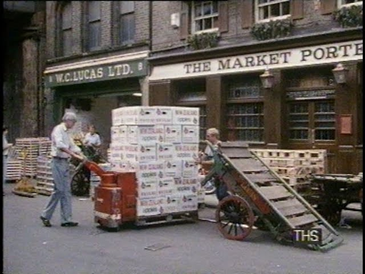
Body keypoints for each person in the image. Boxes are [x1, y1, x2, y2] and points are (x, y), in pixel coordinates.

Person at [40, 112, 84, 227]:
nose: (73, 124)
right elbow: (60, 145)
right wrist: (73, 155)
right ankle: (45, 215)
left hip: (64, 162)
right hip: (57, 161)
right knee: (59, 189)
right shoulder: (58, 130)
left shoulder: (68, 133)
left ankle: (66, 219)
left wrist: (82, 153)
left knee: (66, 191)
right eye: (73, 122)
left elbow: (72, 145)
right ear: (67, 121)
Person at [196, 128, 229, 201]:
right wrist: (200, 158)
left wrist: (202, 162)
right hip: (215, 173)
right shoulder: (209, 146)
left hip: (222, 173)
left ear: (214, 136)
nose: (206, 138)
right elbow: (205, 155)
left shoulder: (219, 146)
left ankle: (228, 206)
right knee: (218, 193)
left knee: (222, 193)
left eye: (208, 136)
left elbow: (216, 161)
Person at [3, 126, 13, 196]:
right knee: (3, 173)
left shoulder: (4, 137)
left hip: (5, 155)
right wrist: (9, 145)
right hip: (3, 155)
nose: (7, 132)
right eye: (6, 130)